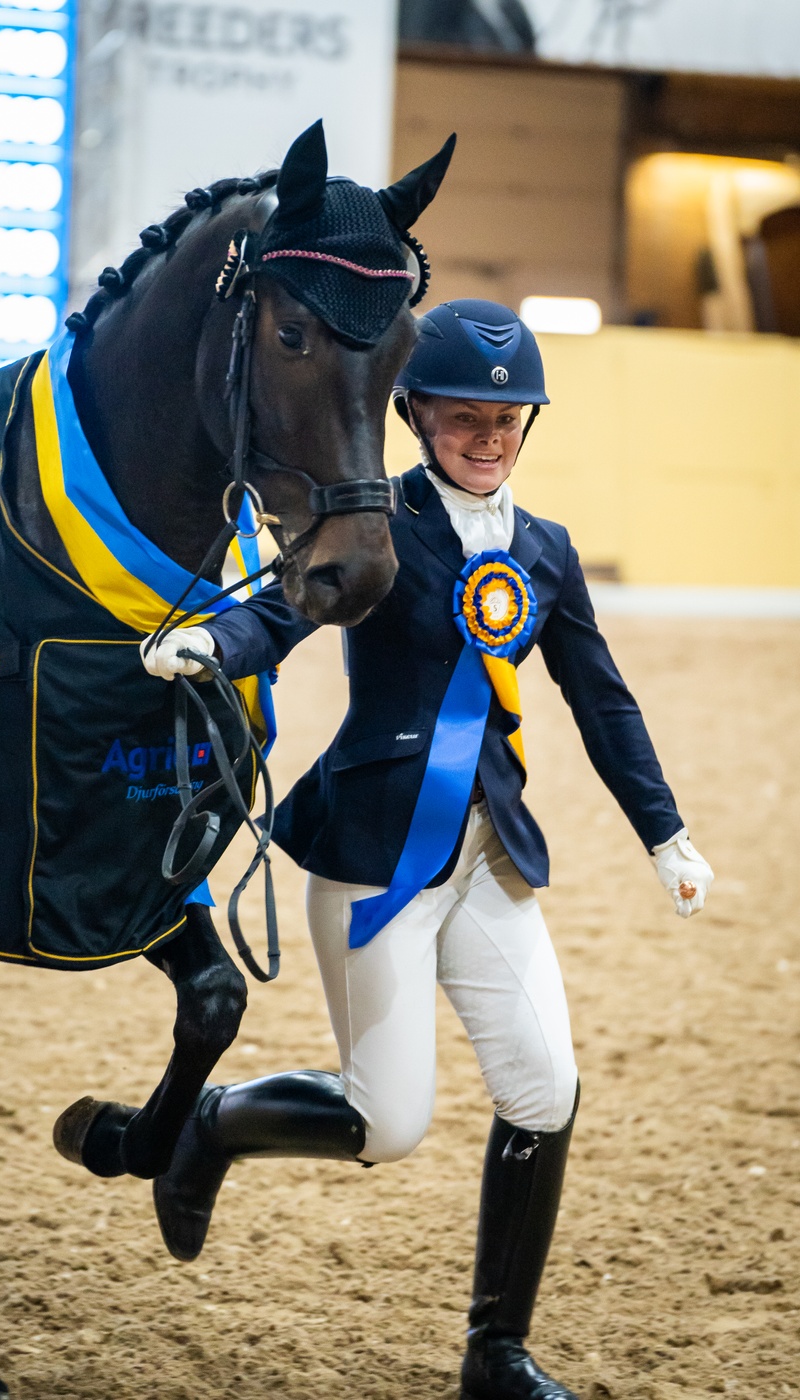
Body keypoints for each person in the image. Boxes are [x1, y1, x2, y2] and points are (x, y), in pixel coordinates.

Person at [140, 299, 713, 1400]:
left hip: (491, 858)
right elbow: (286, 609)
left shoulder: (546, 552)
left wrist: (665, 830)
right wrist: (216, 638)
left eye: (507, 419)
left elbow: (603, 702)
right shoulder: (375, 522)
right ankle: (213, 1125)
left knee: (546, 1087)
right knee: (386, 1120)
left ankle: (494, 1348)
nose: (488, 437)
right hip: (374, 858)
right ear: (413, 415)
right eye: (464, 417)